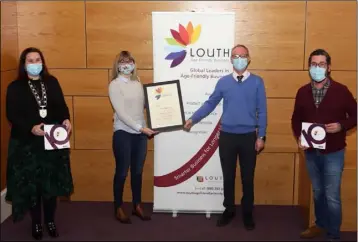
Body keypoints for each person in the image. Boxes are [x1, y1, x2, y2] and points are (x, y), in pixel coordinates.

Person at [184, 44, 267, 230]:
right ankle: (229, 210)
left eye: (243, 55)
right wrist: (193, 119)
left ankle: (247, 213)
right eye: (236, 56)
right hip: (227, 136)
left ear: (249, 58)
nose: (239, 59)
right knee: (228, 177)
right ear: (231, 59)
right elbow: (210, 104)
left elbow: (262, 111)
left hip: (248, 137)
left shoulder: (257, 82)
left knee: (247, 177)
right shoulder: (223, 82)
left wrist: (261, 136)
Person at [5, 47, 74, 240]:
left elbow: (61, 106)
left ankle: (50, 221)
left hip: (51, 142)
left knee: (50, 186)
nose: (35, 64)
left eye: (38, 60)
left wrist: (66, 119)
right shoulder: (15, 87)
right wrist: (31, 127)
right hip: (27, 144)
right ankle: (36, 224)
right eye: (30, 60)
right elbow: (12, 115)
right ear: (24, 64)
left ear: (42, 62)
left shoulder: (52, 82)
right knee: (33, 187)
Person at [291, 49, 357, 241]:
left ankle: (334, 234)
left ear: (329, 67)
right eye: (313, 64)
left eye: (321, 64)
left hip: (333, 153)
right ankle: (320, 224)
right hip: (311, 152)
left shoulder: (341, 91)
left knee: (332, 196)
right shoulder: (302, 92)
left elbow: (355, 114)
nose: (317, 68)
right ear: (309, 67)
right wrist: (299, 138)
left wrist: (341, 126)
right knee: (318, 192)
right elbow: (296, 119)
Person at [109, 51, 157, 224]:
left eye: (129, 61)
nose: (126, 64)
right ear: (117, 65)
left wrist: (158, 115)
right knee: (122, 172)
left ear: (134, 64)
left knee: (137, 171)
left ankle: (137, 205)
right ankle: (118, 207)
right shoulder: (114, 85)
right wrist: (141, 128)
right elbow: (121, 113)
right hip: (123, 133)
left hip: (140, 134)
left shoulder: (137, 83)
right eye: (122, 61)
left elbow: (144, 107)